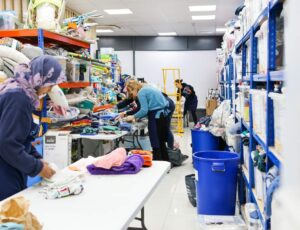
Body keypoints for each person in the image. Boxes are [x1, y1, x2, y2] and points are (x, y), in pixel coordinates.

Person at [0, 55, 66, 201]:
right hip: (4, 171)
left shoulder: (15, 88)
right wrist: (38, 168)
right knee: (9, 218)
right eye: (50, 83)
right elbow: (7, 144)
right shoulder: (18, 98)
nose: (50, 89)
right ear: (40, 77)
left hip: (8, 166)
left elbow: (19, 138)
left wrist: (37, 159)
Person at [125, 80, 170, 161]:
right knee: (161, 142)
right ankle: (166, 164)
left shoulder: (141, 92)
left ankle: (158, 166)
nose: (132, 95)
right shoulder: (146, 88)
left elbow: (144, 110)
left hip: (156, 117)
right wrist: (137, 117)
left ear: (133, 89)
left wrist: (132, 116)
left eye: (131, 92)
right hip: (162, 116)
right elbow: (149, 109)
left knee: (155, 142)